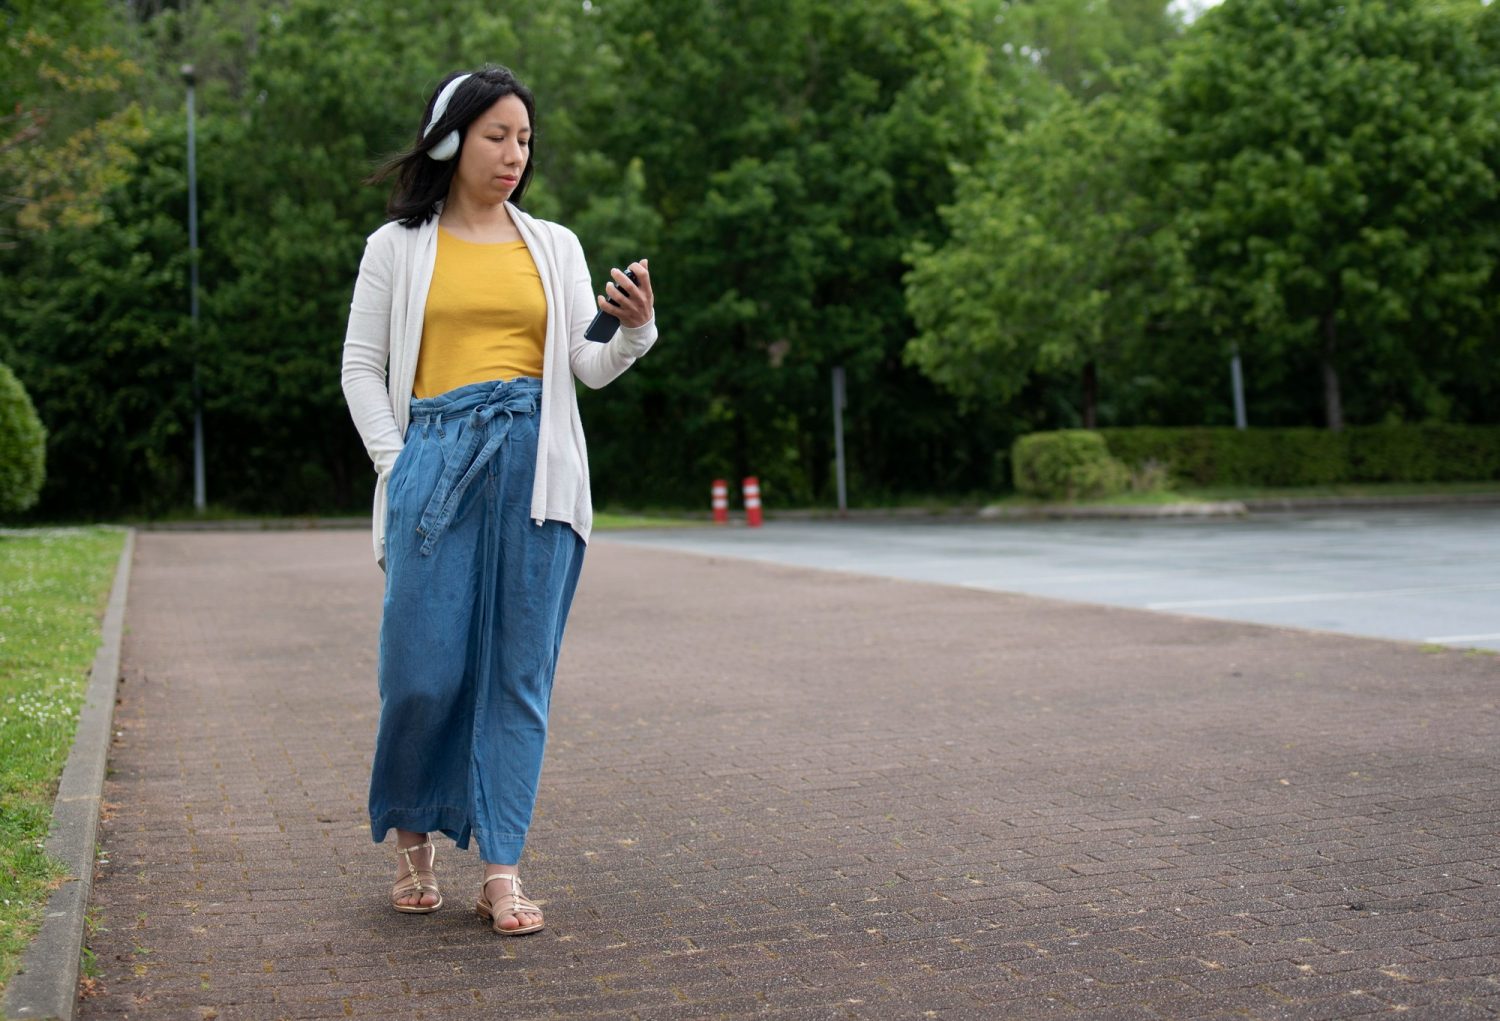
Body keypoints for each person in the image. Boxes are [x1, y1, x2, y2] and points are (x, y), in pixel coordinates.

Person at [340, 65, 656, 935]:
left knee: (518, 680)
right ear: (450, 139)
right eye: (497, 136)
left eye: (524, 139)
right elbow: (361, 367)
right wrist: (397, 466)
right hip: (433, 465)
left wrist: (633, 329)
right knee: (422, 671)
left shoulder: (552, 243)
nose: (515, 154)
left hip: (538, 471)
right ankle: (412, 839)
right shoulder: (395, 248)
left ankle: (503, 870)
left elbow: (584, 370)